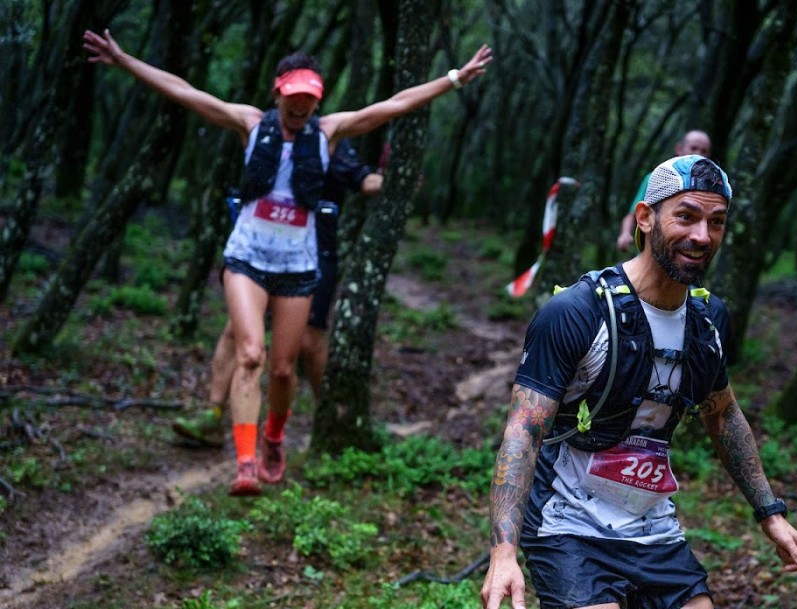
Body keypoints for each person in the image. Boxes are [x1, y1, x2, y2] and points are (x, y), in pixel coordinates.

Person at [83, 28, 493, 496]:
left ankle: (274, 435)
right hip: (247, 257)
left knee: (283, 368)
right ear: (279, 91)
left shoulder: (330, 132)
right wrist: (124, 60)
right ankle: (244, 463)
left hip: (297, 266)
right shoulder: (250, 123)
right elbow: (185, 91)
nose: (301, 108)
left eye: (310, 100)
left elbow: (395, 105)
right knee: (251, 353)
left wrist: (455, 78)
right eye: (294, 97)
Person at [481, 155, 797, 609]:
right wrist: (503, 552)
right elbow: (524, 429)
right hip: (567, 526)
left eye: (716, 222)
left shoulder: (707, 320)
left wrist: (769, 513)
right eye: (686, 216)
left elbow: (724, 414)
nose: (701, 236)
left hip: (653, 530)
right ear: (645, 218)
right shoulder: (579, 311)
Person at [171, 139, 383, 448]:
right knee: (236, 331)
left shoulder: (330, 141)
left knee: (310, 340)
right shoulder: (269, 134)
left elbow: (362, 179)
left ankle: (330, 422)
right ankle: (213, 415)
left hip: (308, 254)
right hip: (259, 253)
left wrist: (392, 180)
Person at [616, 130, 711, 251]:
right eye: (693, 148)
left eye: (704, 151)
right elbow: (633, 213)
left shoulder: (710, 187)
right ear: (679, 149)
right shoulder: (656, 178)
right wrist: (625, 234)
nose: (698, 155)